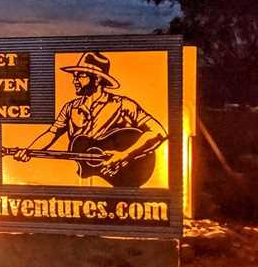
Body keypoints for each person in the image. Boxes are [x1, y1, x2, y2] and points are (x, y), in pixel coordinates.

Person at [13, 52, 167, 180]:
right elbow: (51, 133)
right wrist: (29, 150)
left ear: (98, 79)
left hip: (122, 177)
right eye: (74, 76)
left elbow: (159, 131)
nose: (75, 80)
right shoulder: (70, 108)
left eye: (80, 75)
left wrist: (124, 156)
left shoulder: (123, 105)